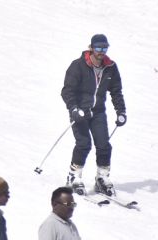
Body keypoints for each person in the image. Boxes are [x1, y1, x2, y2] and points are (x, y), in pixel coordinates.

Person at [61, 34, 126, 197]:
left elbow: (116, 91)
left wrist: (121, 111)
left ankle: (102, 178)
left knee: (103, 145)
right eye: (98, 48)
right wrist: (74, 109)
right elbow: (67, 90)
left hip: (97, 112)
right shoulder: (78, 66)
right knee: (84, 143)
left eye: (104, 48)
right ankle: (74, 177)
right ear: (91, 47)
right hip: (80, 112)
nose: (101, 51)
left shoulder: (111, 67)